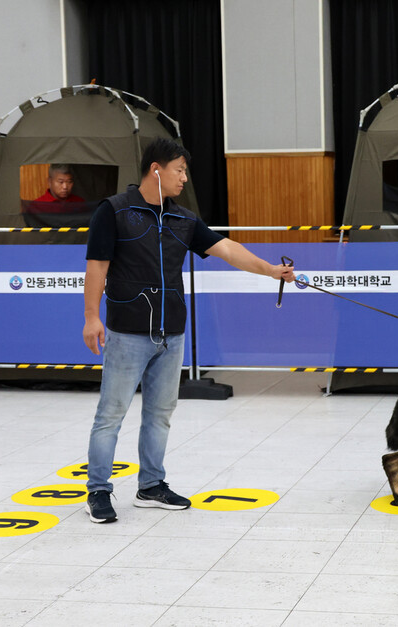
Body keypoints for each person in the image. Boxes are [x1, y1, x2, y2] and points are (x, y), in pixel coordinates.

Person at [82, 137, 295, 524]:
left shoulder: (184, 219)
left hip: (172, 333)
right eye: (179, 170)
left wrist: (271, 270)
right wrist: (91, 317)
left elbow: (228, 249)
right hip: (127, 332)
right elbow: (97, 266)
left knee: (160, 413)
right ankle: (98, 490)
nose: (184, 178)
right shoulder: (113, 212)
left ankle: (151, 486)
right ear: (156, 170)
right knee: (111, 414)